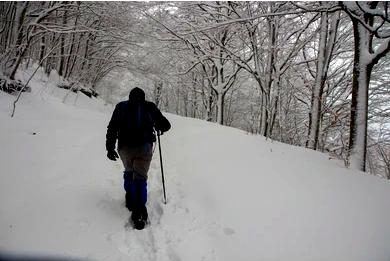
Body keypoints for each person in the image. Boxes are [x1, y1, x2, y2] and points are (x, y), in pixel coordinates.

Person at [105, 87, 171, 229]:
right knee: (140, 176)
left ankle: (130, 198)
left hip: (125, 147)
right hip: (145, 147)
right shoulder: (149, 107)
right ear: (143, 97)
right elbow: (166, 126)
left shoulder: (121, 107)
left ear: (129, 97)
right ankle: (140, 209)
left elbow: (112, 127)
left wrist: (109, 147)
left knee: (129, 172)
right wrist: (158, 126)